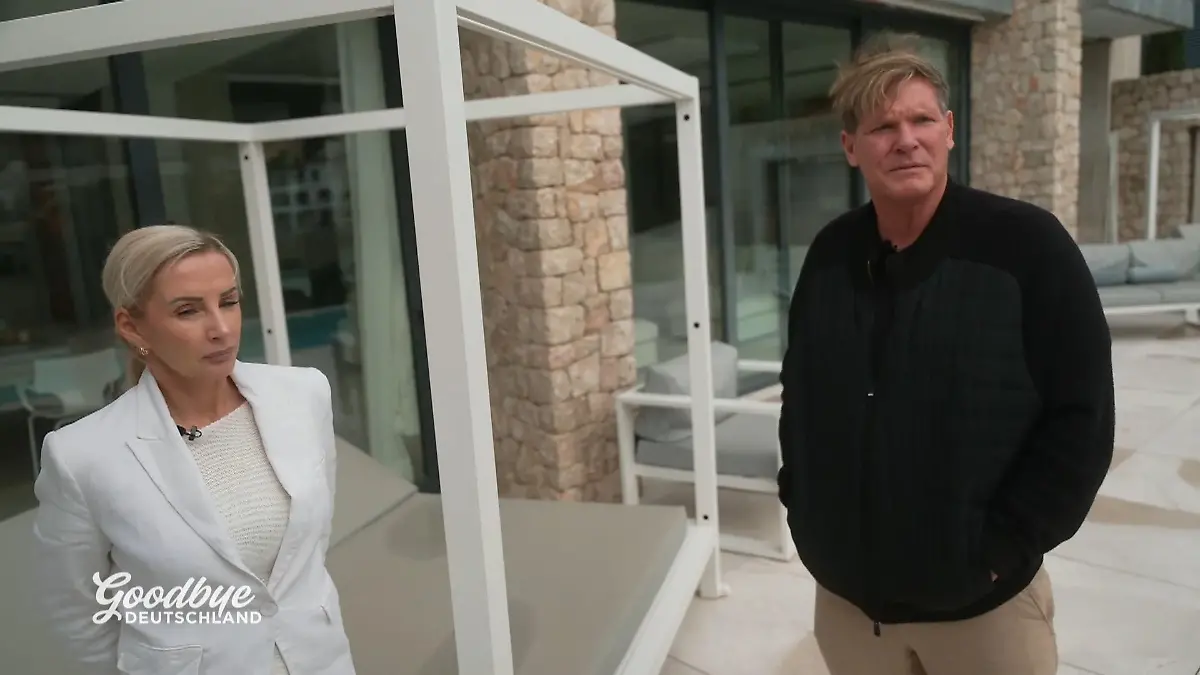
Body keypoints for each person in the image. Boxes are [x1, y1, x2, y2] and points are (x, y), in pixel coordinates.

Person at [776, 33, 1115, 675]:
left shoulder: (1027, 249)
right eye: (882, 126)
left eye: (921, 119)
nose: (906, 139)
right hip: (850, 611)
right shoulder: (829, 255)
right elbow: (802, 391)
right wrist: (804, 506)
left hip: (982, 614)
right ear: (851, 146)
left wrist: (999, 548)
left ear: (949, 130)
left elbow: (1082, 416)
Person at [31, 224, 354, 675]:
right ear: (131, 325)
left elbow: (311, 542)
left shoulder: (303, 395)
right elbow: (78, 615)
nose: (221, 329)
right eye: (188, 311)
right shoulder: (82, 456)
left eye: (229, 301)